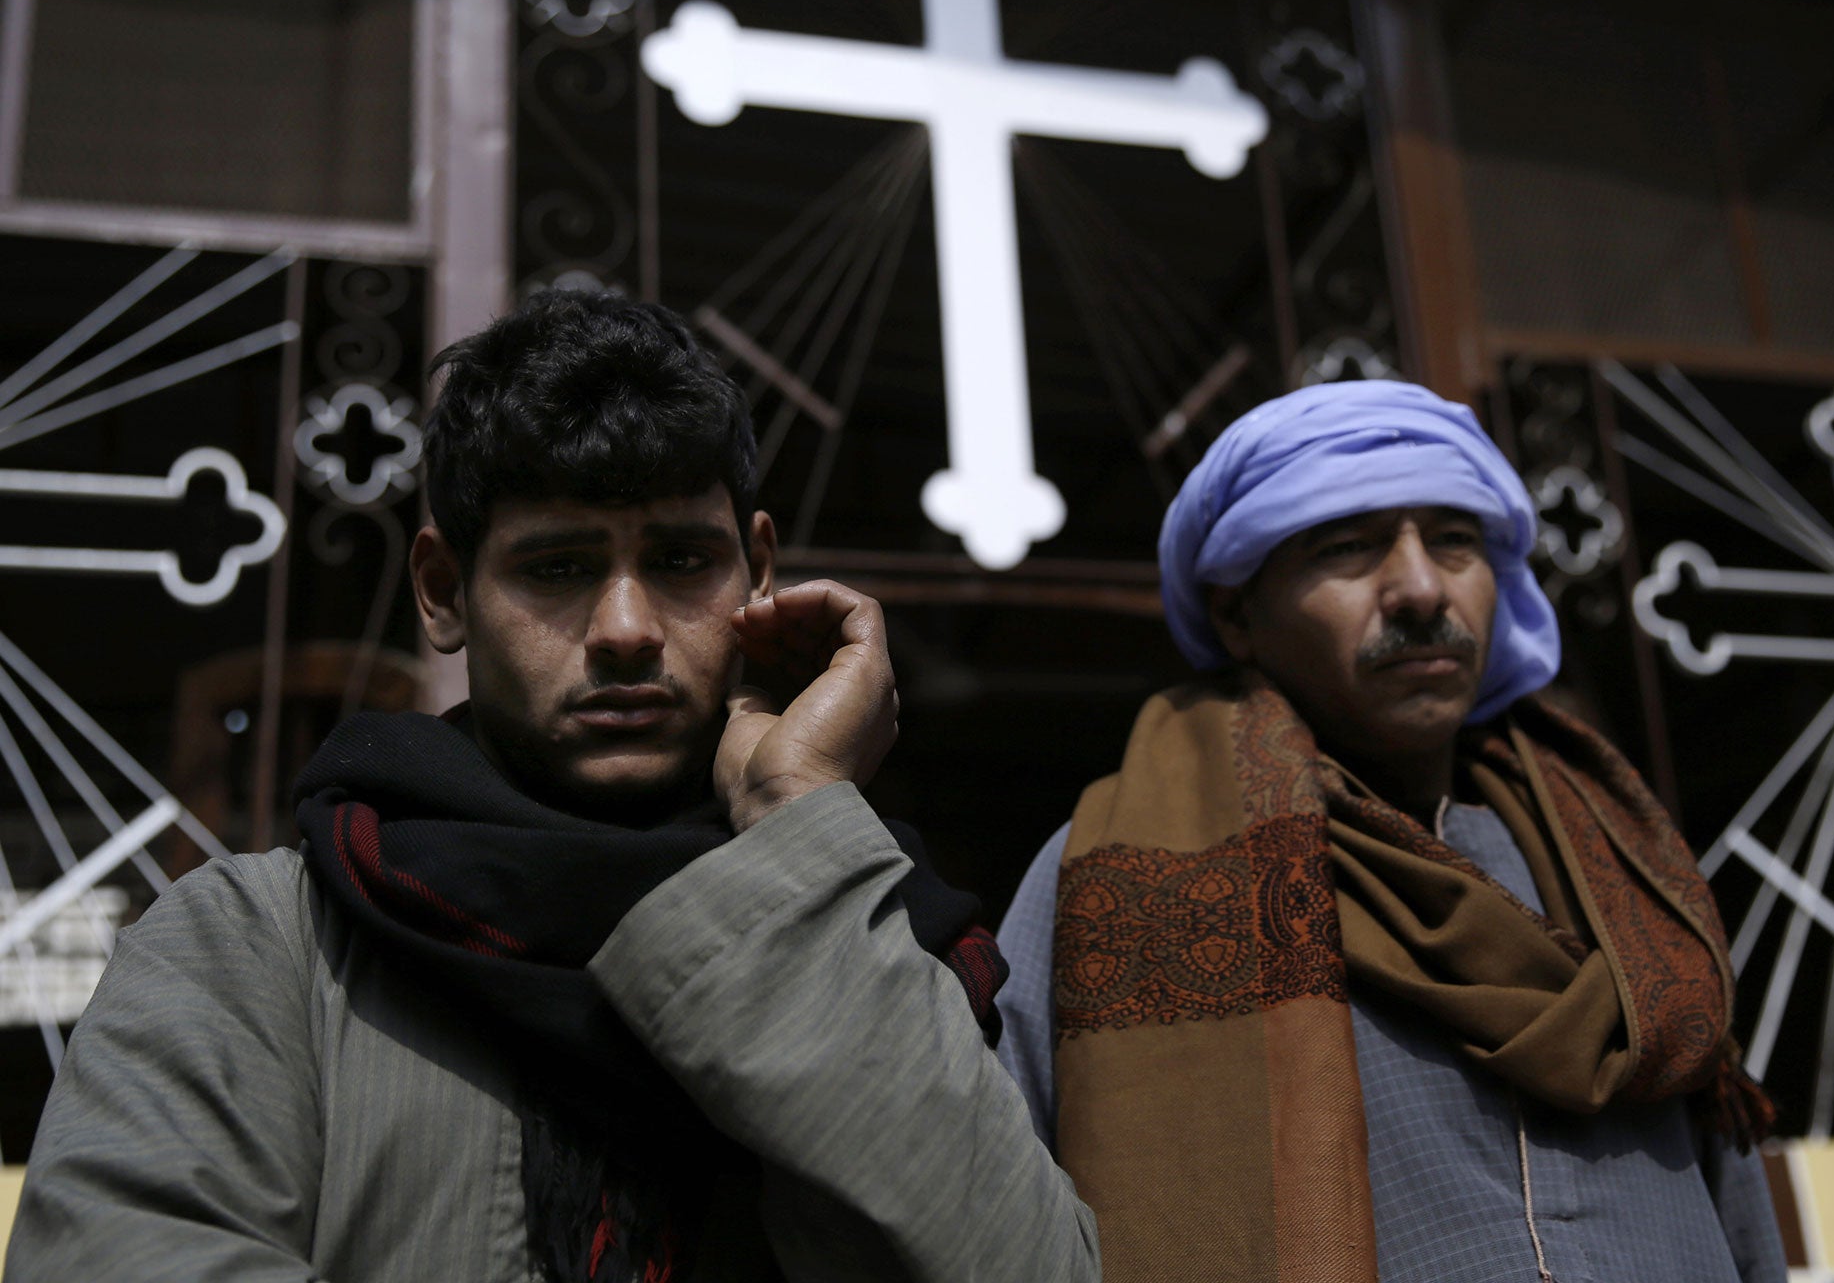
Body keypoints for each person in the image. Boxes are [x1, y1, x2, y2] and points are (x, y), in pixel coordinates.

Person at [9, 289, 1098, 1282]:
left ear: (757, 572)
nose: (625, 631)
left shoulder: (880, 941)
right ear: (443, 591)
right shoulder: (260, 949)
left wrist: (798, 819)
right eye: (558, 568)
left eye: (680, 563)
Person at [995, 380, 1785, 1283]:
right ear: (1236, 615)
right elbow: (1004, 1212)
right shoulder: (1114, 872)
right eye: (1346, 546)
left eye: (1455, 541)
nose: (1418, 588)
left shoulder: (1617, 859)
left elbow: (1740, 1221)